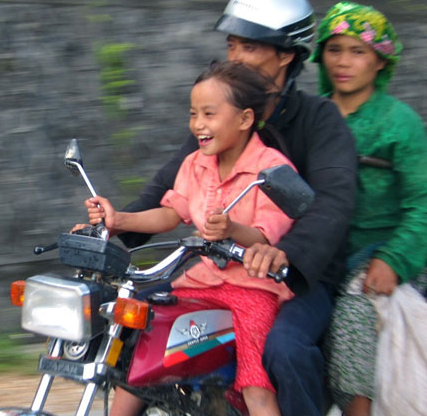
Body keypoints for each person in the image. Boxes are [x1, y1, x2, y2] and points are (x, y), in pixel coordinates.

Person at [118, 0, 358, 415]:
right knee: (131, 321)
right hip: (219, 269)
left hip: (296, 275)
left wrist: (284, 254)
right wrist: (115, 224)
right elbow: (168, 185)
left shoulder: (320, 120)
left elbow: (333, 202)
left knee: (285, 349)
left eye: (250, 47)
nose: (236, 58)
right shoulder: (219, 115)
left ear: (286, 54)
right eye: (232, 45)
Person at [87, 60, 296, 416]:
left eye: (209, 114)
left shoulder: (272, 169)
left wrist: (232, 230)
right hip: (202, 281)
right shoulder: (195, 163)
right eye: (193, 113)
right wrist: (119, 219)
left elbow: (266, 234)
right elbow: (172, 212)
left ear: (245, 119)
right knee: (146, 347)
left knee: (255, 384)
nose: (198, 124)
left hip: (254, 289)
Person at [311, 1, 427, 416]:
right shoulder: (313, 116)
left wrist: (392, 260)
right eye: (335, 49)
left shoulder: (399, 123)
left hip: (382, 251)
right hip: (319, 253)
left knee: (354, 316)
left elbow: (423, 205)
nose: (344, 62)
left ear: (380, 61)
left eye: (357, 51)